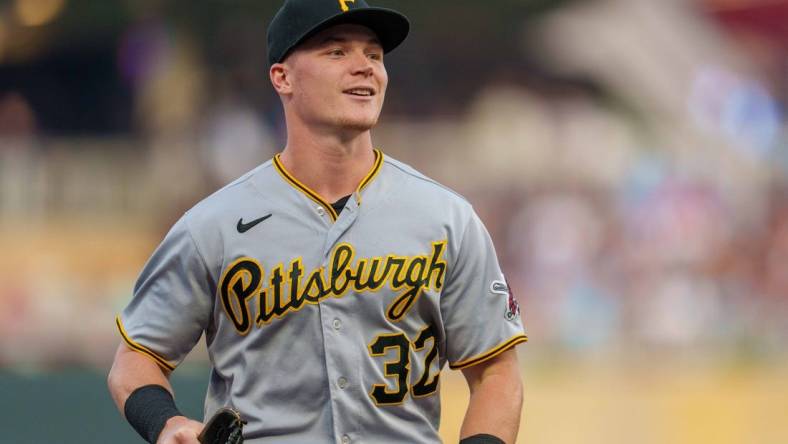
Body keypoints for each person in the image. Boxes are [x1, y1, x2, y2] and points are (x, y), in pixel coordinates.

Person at [107, 0, 527, 443]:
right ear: (282, 77)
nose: (364, 67)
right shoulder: (214, 225)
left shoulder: (446, 219)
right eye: (336, 51)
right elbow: (135, 358)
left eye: (373, 54)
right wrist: (166, 422)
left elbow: (496, 372)